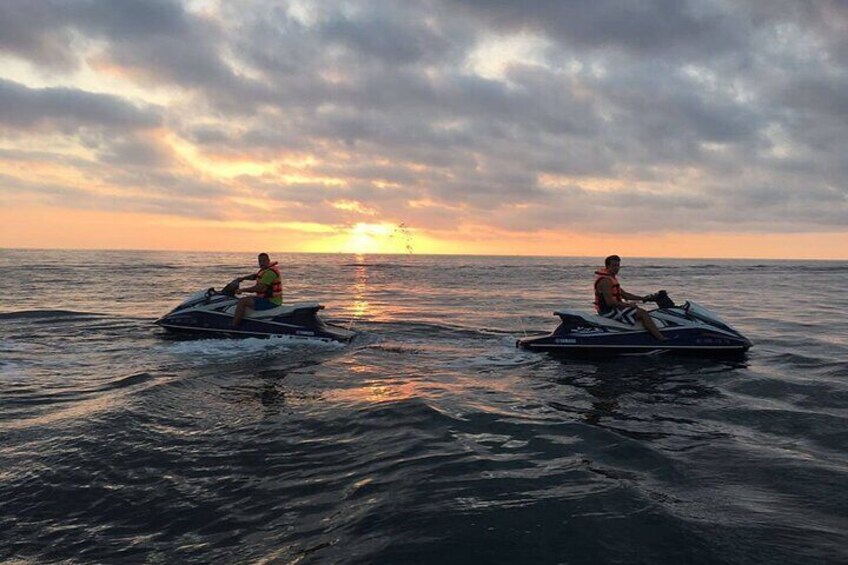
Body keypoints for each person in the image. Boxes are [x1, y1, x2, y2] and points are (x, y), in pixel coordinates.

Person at [594, 255, 666, 341]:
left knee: (643, 311)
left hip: (614, 308)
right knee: (643, 313)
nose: (616, 268)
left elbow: (625, 295)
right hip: (608, 311)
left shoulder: (611, 278)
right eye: (614, 266)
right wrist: (628, 305)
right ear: (607, 266)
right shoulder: (606, 281)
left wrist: (643, 298)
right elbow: (610, 302)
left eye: (618, 265)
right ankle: (661, 339)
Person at [232, 253, 282, 326]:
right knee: (246, 298)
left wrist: (242, 290)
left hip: (271, 301)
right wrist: (242, 278)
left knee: (242, 301)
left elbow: (261, 288)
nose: (261, 263)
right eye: (260, 261)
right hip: (267, 298)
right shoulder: (265, 269)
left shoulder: (269, 273)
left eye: (264, 261)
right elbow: (256, 276)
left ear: (268, 260)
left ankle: (234, 326)